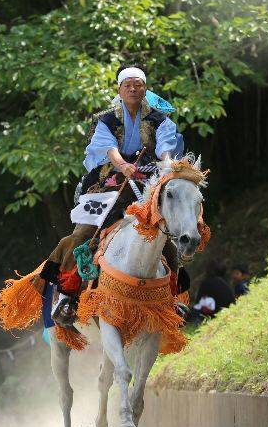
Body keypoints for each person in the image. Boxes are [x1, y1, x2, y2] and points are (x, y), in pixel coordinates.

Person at [45, 63, 185, 325]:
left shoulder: (159, 119)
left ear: (145, 88)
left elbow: (167, 146)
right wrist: (122, 165)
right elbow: (107, 148)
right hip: (107, 184)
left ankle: (172, 298)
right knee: (84, 233)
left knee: (167, 237)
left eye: (138, 84)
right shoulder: (107, 118)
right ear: (120, 90)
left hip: (147, 186)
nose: (133, 89)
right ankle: (67, 295)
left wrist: (166, 165)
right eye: (128, 85)